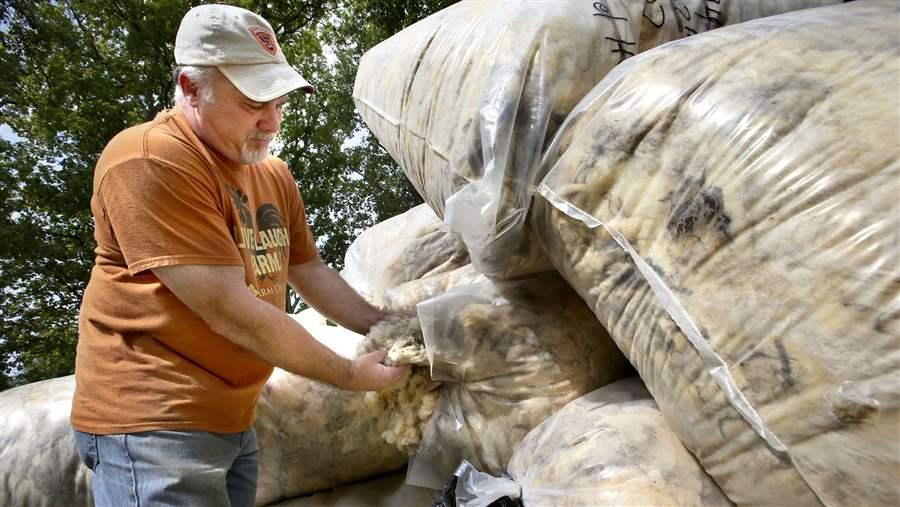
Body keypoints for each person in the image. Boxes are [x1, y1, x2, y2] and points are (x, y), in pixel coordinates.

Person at [69, 4, 407, 506]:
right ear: (190, 88)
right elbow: (231, 311)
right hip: (153, 426)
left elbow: (306, 269)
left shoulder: (271, 174)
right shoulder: (149, 160)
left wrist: (385, 325)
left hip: (233, 418)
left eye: (279, 101)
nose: (271, 120)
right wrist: (350, 374)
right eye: (254, 101)